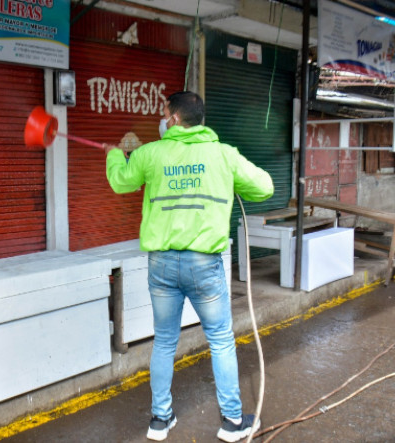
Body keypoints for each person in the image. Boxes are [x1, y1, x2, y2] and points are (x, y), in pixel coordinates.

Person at [105, 91, 274, 442]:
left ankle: (159, 421)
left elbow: (120, 181)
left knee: (165, 342)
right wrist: (230, 180)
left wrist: (113, 156)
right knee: (221, 340)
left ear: (176, 118)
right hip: (203, 266)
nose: (163, 120)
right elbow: (265, 187)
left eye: (166, 115)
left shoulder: (151, 154)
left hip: (162, 266)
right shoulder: (223, 155)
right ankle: (231, 423)